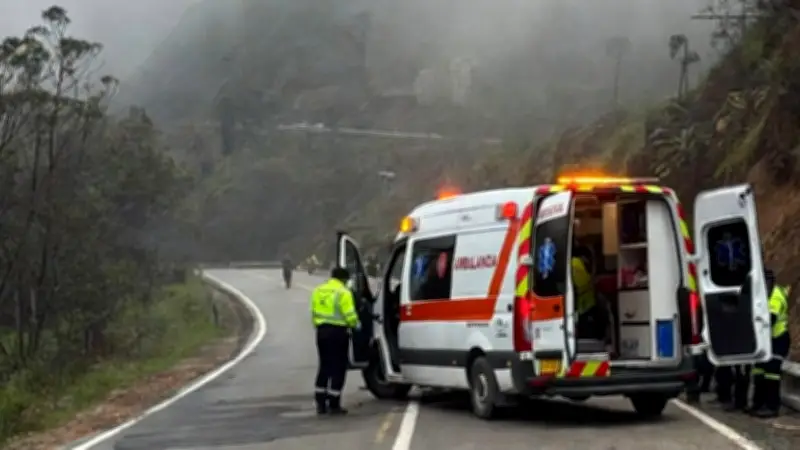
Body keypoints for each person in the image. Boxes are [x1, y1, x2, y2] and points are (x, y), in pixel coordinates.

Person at [310, 267, 360, 415]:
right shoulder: (343, 293)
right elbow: (349, 315)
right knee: (338, 368)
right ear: (344, 279)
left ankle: (320, 403)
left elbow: (313, 312)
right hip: (338, 333)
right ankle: (334, 403)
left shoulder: (318, 290)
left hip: (322, 332)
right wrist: (357, 325)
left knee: (324, 366)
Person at [749, 276, 790, 418]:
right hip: (765, 339)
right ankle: (758, 404)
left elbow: (769, 320)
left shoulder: (776, 296)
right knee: (758, 371)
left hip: (777, 339)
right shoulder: (762, 293)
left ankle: (772, 407)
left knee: (772, 373)